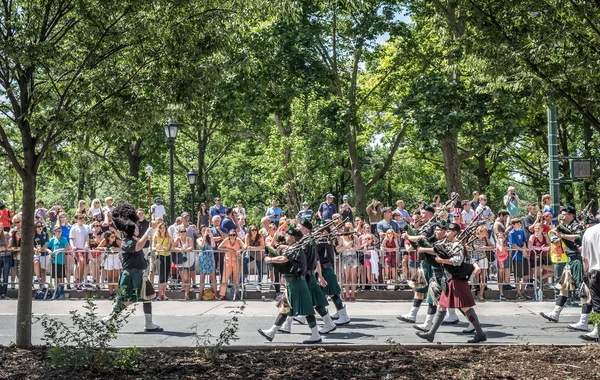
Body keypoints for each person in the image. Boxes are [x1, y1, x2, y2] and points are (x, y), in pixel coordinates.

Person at [416, 223, 486, 343]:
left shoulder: (458, 245)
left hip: (456, 279)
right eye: (446, 231)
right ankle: (431, 334)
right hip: (449, 279)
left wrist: (442, 260)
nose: (446, 233)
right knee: (441, 306)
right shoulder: (447, 244)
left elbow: (457, 261)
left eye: (449, 231)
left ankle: (480, 334)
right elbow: (436, 250)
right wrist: (423, 248)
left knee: (465, 307)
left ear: (455, 232)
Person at [102, 203, 162, 332]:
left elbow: (139, 245)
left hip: (140, 274)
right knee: (128, 299)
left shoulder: (133, 240)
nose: (138, 228)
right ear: (130, 229)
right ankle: (109, 317)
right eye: (135, 227)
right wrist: (147, 234)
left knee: (147, 297)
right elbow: (138, 247)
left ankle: (149, 323)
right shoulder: (127, 241)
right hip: (131, 275)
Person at [258, 227, 322, 344]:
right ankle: (272, 332)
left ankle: (315, 334)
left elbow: (283, 259)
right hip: (293, 283)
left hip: (297, 283)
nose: (285, 237)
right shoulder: (294, 247)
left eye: (287, 236)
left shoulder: (295, 248)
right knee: (285, 306)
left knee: (307, 310)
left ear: (292, 238)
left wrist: (270, 259)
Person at [279, 219, 337, 335]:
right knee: (307, 301)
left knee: (296, 300)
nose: (298, 227)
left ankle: (286, 325)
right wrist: (319, 275)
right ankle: (287, 324)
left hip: (305, 276)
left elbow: (313, 259)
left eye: (299, 226)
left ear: (305, 229)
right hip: (308, 275)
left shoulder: (306, 241)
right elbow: (317, 260)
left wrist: (319, 275)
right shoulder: (309, 240)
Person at [540, 206, 586, 324]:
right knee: (563, 287)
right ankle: (555, 314)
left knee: (583, 289)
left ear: (571, 215)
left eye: (564, 214)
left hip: (577, 260)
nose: (562, 216)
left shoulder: (576, 226)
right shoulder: (565, 227)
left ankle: (585, 319)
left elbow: (579, 237)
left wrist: (563, 236)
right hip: (569, 260)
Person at [579, 223, 600, 342]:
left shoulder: (589, 231)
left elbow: (584, 258)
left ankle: (597, 330)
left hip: (595, 273)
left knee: (597, 306)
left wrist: (586, 272)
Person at [217, 229, 245, 300]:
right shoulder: (226, 240)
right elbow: (219, 247)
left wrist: (240, 250)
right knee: (225, 278)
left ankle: (236, 293)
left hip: (236, 261)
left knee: (236, 278)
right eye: (230, 235)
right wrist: (228, 250)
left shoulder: (238, 240)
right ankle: (222, 295)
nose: (232, 236)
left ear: (236, 235)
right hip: (228, 261)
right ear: (228, 236)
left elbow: (245, 247)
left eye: (233, 235)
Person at [470, 225, 494, 301]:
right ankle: (474, 281)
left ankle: (481, 294)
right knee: (478, 270)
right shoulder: (473, 238)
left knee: (483, 278)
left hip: (483, 258)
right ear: (479, 232)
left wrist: (485, 247)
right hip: (475, 258)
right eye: (484, 232)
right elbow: (467, 245)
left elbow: (492, 246)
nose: (485, 233)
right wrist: (474, 247)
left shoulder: (485, 239)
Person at [509, 217, 530, 300]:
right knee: (517, 276)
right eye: (517, 223)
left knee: (526, 276)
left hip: (523, 256)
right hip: (516, 256)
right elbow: (513, 245)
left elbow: (524, 241)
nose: (519, 225)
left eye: (519, 223)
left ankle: (522, 292)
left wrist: (524, 249)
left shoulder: (521, 231)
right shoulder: (511, 233)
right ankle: (518, 293)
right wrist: (522, 250)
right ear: (513, 225)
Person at [47, 225, 70, 299]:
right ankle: (56, 291)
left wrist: (59, 250)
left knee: (61, 277)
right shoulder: (52, 240)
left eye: (60, 231)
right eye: (58, 231)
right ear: (55, 232)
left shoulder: (64, 239)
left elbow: (67, 247)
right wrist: (49, 251)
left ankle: (62, 292)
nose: (59, 233)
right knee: (56, 277)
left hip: (61, 261)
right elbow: (47, 246)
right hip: (54, 261)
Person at [98, 230, 122, 299]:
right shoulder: (105, 241)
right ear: (108, 237)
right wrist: (104, 248)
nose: (114, 238)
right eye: (112, 237)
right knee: (110, 277)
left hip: (116, 257)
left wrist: (116, 248)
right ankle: (111, 293)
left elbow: (123, 247)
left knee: (116, 277)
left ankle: (117, 293)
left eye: (114, 236)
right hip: (109, 257)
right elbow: (98, 247)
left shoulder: (117, 241)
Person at [338, 222, 359, 300]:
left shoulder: (355, 237)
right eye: (351, 229)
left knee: (353, 276)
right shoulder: (342, 238)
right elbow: (338, 249)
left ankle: (353, 294)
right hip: (345, 257)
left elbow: (359, 246)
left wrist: (352, 248)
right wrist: (345, 247)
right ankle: (347, 294)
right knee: (347, 277)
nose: (352, 230)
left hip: (353, 257)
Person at [173, 226, 194, 300]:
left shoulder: (189, 239)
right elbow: (173, 247)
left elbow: (191, 247)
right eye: (181, 231)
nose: (183, 233)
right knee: (184, 278)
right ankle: (186, 291)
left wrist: (185, 249)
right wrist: (179, 249)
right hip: (180, 260)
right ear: (179, 233)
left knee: (187, 277)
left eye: (184, 231)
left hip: (188, 260)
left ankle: (186, 294)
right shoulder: (177, 239)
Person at [152, 221, 172, 301]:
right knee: (161, 275)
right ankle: (160, 294)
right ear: (159, 229)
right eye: (161, 228)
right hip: (159, 256)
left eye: (164, 228)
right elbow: (153, 247)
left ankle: (164, 294)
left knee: (166, 275)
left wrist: (164, 248)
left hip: (167, 256)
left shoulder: (169, 236)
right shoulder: (156, 236)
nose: (162, 229)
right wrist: (157, 247)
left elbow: (169, 247)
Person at [69, 214, 90, 288]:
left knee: (83, 264)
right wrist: (73, 246)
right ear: (77, 219)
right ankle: (78, 280)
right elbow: (71, 239)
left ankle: (80, 281)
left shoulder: (87, 227)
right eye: (80, 218)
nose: (82, 219)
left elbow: (88, 237)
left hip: (85, 249)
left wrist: (87, 244)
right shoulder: (74, 228)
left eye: (83, 218)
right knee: (80, 262)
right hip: (77, 249)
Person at [197, 226, 217, 299]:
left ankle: (215, 295)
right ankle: (200, 295)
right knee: (202, 278)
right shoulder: (199, 239)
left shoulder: (210, 239)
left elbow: (213, 245)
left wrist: (211, 236)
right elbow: (201, 245)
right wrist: (204, 236)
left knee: (213, 278)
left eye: (206, 230)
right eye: (203, 230)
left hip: (210, 258)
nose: (205, 231)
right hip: (203, 259)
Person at [244, 225, 265, 289]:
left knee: (259, 269)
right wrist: (253, 248)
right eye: (252, 230)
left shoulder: (260, 236)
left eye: (255, 229)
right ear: (250, 231)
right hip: (250, 253)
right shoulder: (247, 236)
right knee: (244, 260)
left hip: (259, 253)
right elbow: (247, 246)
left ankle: (259, 284)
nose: (254, 231)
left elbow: (262, 246)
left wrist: (252, 248)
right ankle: (245, 277)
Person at [33, 222, 50, 287]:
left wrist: (42, 248)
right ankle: (38, 277)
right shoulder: (34, 236)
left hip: (45, 253)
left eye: (41, 226)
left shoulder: (45, 234)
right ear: (35, 228)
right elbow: (32, 245)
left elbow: (46, 243)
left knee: (43, 270)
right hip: (37, 253)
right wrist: (35, 249)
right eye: (38, 226)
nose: (40, 228)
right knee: (36, 262)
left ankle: (43, 285)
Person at [495, 232, 510, 301]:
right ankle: (501, 294)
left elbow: (509, 252)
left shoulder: (507, 244)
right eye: (499, 237)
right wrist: (501, 243)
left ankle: (504, 289)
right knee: (500, 278)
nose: (501, 239)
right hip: (500, 261)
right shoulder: (498, 244)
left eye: (502, 237)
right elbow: (501, 251)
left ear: (504, 238)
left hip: (506, 260)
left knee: (507, 279)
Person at [0, 228, 11, 299]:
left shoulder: (6, 234)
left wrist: (6, 248)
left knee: (5, 276)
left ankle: (4, 293)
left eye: (1, 227)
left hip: (6, 256)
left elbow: (10, 244)